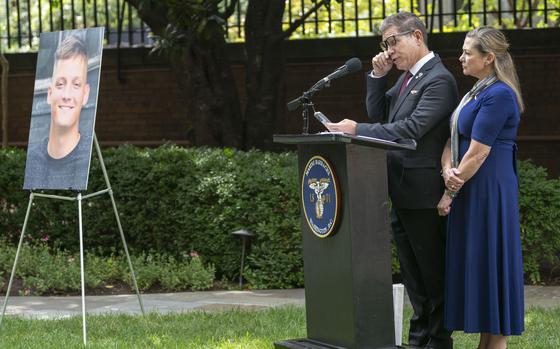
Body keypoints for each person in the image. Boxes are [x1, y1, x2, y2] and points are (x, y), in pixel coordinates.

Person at [326, 12, 458, 349]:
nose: (389, 51)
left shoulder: (438, 80)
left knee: (432, 276)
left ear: (416, 36)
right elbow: (379, 114)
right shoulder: (407, 78)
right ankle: (418, 340)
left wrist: (356, 130)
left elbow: (411, 130)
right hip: (401, 191)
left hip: (424, 192)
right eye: (385, 45)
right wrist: (377, 76)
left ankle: (438, 342)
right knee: (414, 278)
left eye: (392, 42)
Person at [437, 27, 524, 349]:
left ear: (488, 58)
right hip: (472, 186)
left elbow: (478, 152)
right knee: (483, 267)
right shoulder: (474, 92)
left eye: (467, 53)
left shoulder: (498, 94)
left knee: (492, 263)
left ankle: (496, 342)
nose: (461, 58)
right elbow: (453, 140)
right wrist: (447, 169)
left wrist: (450, 191)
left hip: (489, 190)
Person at [23, 35, 92, 191]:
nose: (66, 95)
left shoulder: (90, 158)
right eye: (60, 84)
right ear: (49, 93)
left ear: (85, 94)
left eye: (76, 84)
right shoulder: (33, 159)